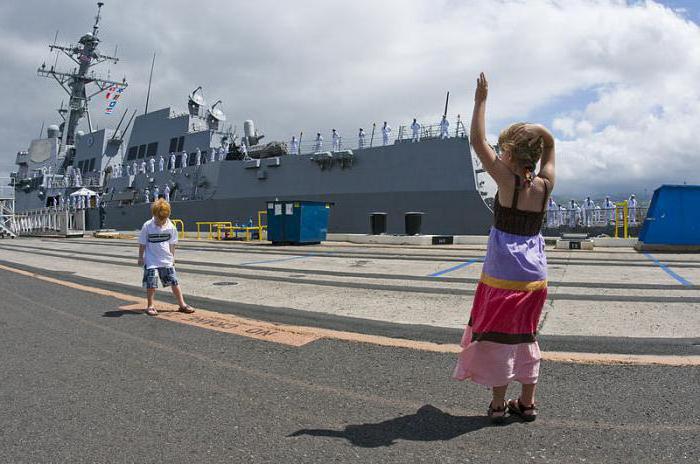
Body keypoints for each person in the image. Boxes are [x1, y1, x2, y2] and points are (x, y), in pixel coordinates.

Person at [454, 73, 555, 424]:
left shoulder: (505, 181)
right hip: (534, 277)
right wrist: (541, 132)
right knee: (526, 335)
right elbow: (551, 149)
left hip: (501, 276)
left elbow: (476, 139)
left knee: (497, 338)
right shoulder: (544, 185)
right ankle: (527, 404)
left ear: (510, 154)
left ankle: (498, 406)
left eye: (503, 150)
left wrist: (481, 99)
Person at [137, 198, 195, 317]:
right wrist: (140, 257)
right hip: (151, 259)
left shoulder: (171, 227)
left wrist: (172, 257)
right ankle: (150, 305)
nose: (161, 222)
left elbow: (172, 243)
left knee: (174, 282)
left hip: (166, 258)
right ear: (154, 215)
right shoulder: (147, 226)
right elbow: (142, 243)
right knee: (151, 283)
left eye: (164, 219)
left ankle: (182, 304)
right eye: (159, 219)